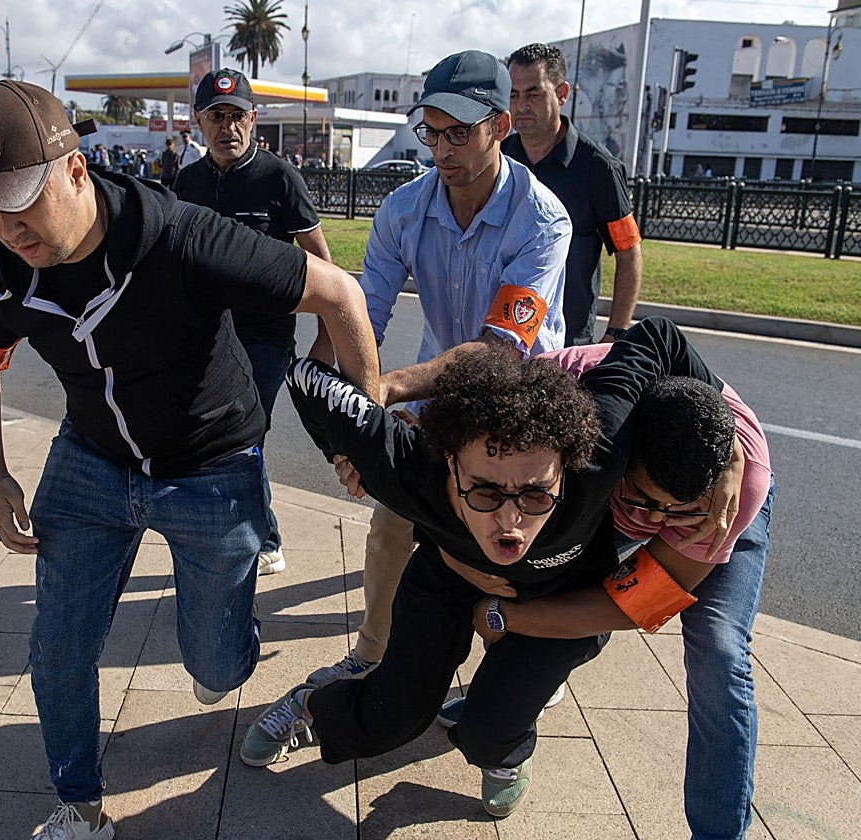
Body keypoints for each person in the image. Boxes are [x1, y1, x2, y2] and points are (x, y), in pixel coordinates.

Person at [0, 79, 380, 840]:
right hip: (91, 462)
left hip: (211, 466)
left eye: (22, 202)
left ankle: (231, 641)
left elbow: (342, 295)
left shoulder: (182, 236)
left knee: (215, 667)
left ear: (76, 171)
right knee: (57, 647)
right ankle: (78, 804)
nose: (9, 228)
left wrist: (366, 440)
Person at [242, 317, 740, 820]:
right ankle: (309, 704)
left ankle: (505, 751)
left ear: (568, 464)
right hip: (449, 575)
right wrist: (344, 449)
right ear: (450, 464)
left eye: (535, 493)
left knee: (489, 733)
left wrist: (732, 448)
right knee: (390, 720)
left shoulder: (600, 451)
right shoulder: (410, 470)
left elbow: (659, 336)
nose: (510, 520)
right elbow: (306, 378)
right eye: (484, 491)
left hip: (561, 591)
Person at [304, 50, 570, 688]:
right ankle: (370, 653)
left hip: (525, 401)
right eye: (431, 130)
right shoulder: (402, 210)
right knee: (392, 523)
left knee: (518, 544)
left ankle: (524, 674)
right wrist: (358, 424)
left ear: (500, 127)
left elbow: (502, 348)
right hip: (437, 399)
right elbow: (362, 315)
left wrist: (385, 390)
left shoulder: (542, 219)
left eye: (460, 131)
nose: (443, 149)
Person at [451, 341, 773, 840]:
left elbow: (634, 604)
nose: (656, 522)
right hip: (595, 477)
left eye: (675, 509)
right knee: (528, 570)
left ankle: (718, 834)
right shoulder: (569, 398)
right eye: (645, 500)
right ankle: (517, 699)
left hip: (719, 488)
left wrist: (501, 616)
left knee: (719, 649)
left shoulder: (732, 487)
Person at [175, 68, 335, 577]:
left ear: (253, 118)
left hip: (265, 334)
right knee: (214, 437)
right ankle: (246, 530)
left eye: (237, 116)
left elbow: (321, 262)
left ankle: (260, 538)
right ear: (200, 122)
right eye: (216, 116)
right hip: (205, 333)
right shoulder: (189, 181)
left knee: (246, 434)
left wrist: (326, 330)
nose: (228, 127)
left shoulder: (278, 178)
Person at [504, 43, 642, 346]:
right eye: (513, 95)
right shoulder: (498, 161)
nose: (521, 105)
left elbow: (629, 252)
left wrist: (615, 334)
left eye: (534, 93)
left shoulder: (598, 168)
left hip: (565, 344)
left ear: (562, 93)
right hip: (501, 338)